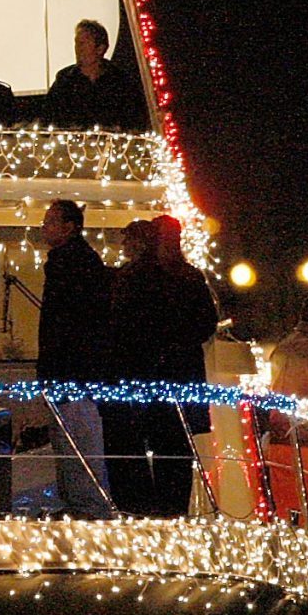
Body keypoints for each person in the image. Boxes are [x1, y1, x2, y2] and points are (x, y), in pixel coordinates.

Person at [103, 218, 209, 514]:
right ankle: (170, 510)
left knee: (147, 446)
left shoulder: (143, 277)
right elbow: (204, 323)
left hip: (149, 375)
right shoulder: (186, 276)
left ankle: (149, 509)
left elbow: (124, 326)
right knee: (175, 450)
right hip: (178, 375)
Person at [35, 200, 117, 517]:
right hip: (69, 370)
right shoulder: (73, 261)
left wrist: (56, 366)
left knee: (77, 441)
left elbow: (69, 323)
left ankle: (87, 506)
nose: (44, 226)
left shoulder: (74, 264)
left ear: (70, 226)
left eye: (50, 221)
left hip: (72, 371)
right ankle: (77, 503)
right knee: (68, 441)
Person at [41, 19, 149, 131]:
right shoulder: (65, 79)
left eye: (83, 43)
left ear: (100, 49)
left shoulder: (120, 81)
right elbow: (48, 118)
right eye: (77, 43)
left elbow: (134, 119)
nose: (78, 48)